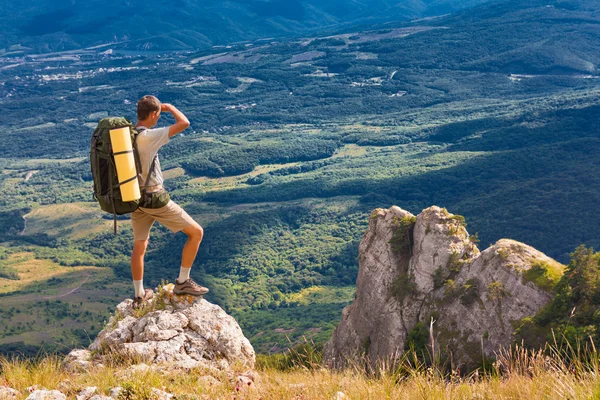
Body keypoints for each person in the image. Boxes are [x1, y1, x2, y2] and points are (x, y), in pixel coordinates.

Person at [130, 95, 208, 308]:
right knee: (196, 233)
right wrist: (170, 107)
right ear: (154, 114)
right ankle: (183, 282)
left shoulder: (127, 136)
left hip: (134, 199)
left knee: (140, 246)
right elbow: (184, 123)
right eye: (157, 115)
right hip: (154, 198)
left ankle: (139, 294)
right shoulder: (148, 136)